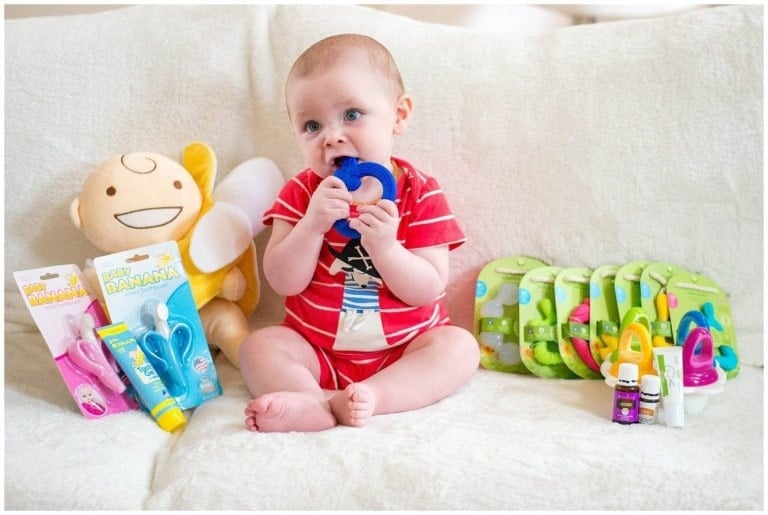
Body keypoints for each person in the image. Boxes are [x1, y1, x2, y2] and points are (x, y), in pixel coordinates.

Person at [240, 33, 479, 432]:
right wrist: (312, 225)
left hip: (404, 350)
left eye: (351, 115)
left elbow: (428, 288)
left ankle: (374, 397)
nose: (331, 136)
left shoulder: (420, 192)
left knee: (458, 348)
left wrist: (386, 248)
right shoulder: (300, 194)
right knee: (258, 347)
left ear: (398, 115)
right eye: (311, 125)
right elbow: (283, 281)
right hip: (316, 349)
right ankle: (313, 403)